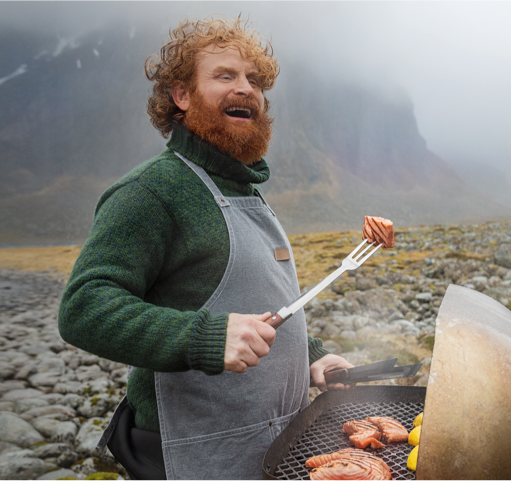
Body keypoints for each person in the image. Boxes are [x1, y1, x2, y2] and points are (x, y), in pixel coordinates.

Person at [58, 16, 353, 480]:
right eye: (224, 76)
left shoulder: (245, 189)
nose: (245, 89)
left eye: (253, 81)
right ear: (181, 95)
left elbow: (260, 304)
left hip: (275, 441)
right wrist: (204, 339)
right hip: (195, 452)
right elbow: (83, 307)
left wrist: (312, 356)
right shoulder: (151, 191)